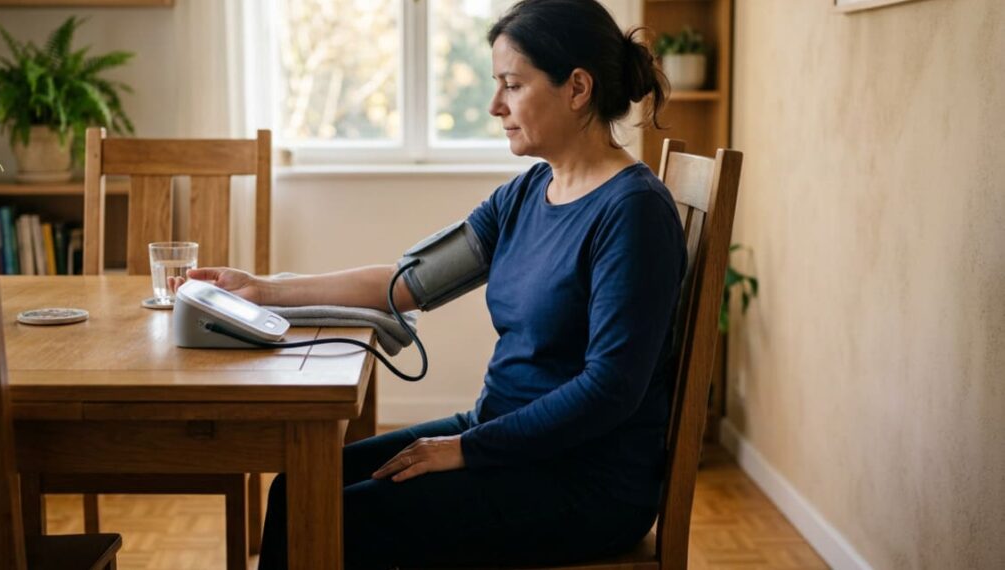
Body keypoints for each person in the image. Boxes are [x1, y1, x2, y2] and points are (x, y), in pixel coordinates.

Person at [175, 0, 684, 567]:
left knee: (344, 518)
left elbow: (608, 391)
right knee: (297, 489)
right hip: (507, 439)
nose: (495, 106)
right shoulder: (526, 193)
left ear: (578, 87)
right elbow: (408, 282)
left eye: (512, 85)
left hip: (585, 481)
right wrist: (265, 289)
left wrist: (467, 451)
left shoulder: (631, 212)